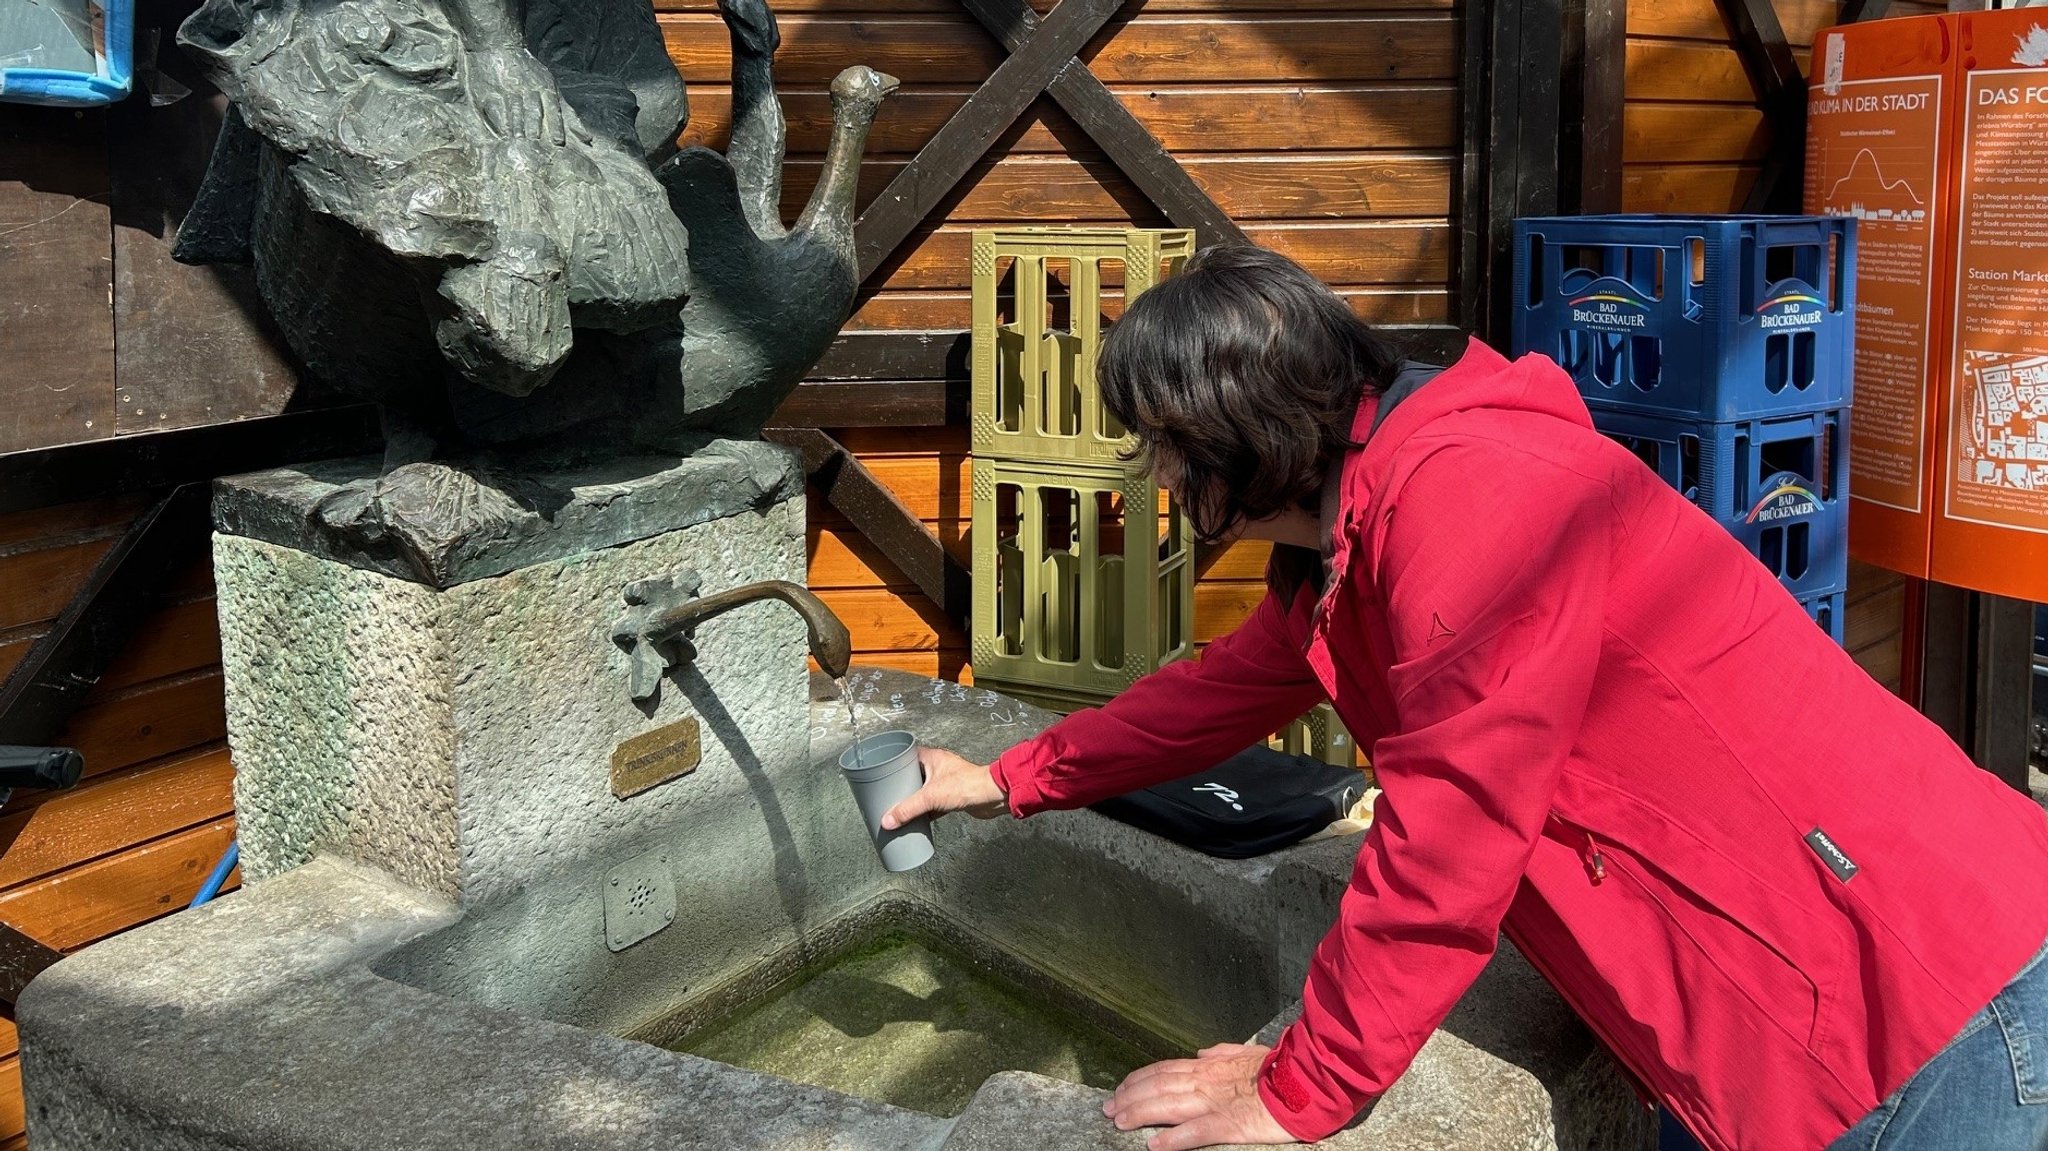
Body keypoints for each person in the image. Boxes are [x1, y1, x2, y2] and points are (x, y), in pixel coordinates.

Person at [878, 244, 2048, 1151]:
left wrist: (1301, 1088)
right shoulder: (1369, 522)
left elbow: (1449, 831)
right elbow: (1218, 689)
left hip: (1929, 1001)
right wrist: (1005, 776)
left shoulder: (1473, 497)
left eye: (1160, 445)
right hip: (1793, 1017)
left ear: (1231, 426)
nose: (1159, 477)